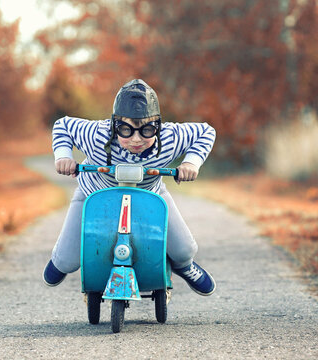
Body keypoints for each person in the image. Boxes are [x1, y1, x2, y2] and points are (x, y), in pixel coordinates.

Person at [43, 79, 217, 296]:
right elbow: (63, 126)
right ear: (114, 125)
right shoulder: (97, 135)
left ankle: (183, 266)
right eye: (126, 130)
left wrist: (191, 162)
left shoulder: (170, 137)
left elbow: (206, 132)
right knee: (66, 261)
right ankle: (61, 260)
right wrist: (64, 156)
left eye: (147, 130)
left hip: (149, 194)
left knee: (184, 250)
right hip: (94, 194)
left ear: (158, 126)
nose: (136, 139)